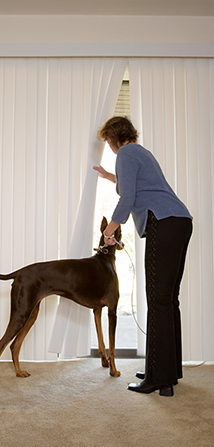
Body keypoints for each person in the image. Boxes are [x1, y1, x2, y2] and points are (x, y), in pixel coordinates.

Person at [94, 116, 192, 397]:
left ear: (112, 138)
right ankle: (168, 370)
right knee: (168, 299)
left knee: (158, 300)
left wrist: (108, 231)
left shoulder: (124, 153)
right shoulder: (141, 152)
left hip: (163, 222)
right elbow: (137, 187)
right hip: (180, 221)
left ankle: (158, 379)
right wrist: (111, 177)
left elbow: (127, 199)